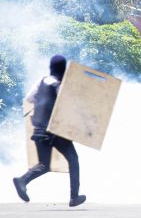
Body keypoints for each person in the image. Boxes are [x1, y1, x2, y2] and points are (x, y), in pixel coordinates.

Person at [13, 55, 86, 207]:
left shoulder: (41, 82)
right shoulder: (59, 86)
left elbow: (29, 98)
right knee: (73, 160)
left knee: (43, 165)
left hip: (39, 131)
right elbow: (66, 107)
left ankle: (22, 180)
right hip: (54, 131)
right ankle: (74, 197)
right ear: (63, 69)